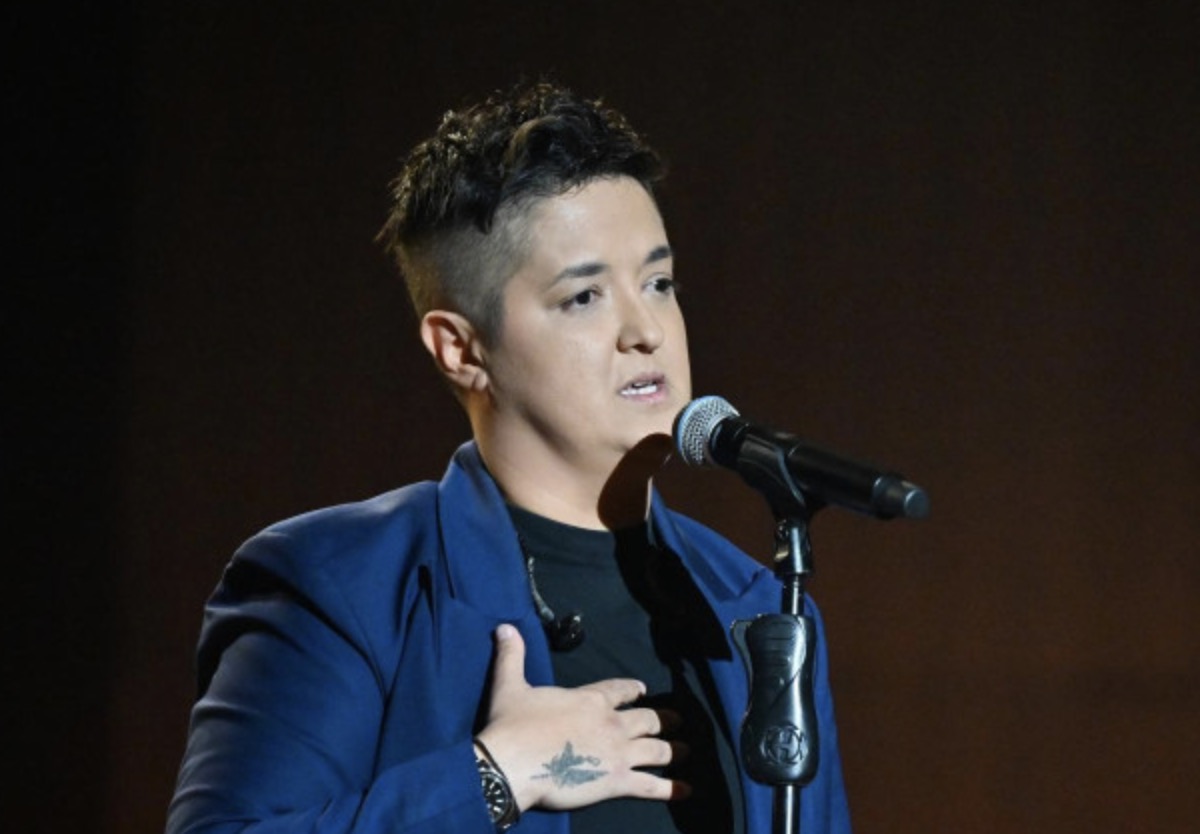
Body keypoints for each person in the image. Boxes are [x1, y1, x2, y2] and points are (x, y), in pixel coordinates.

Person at [166, 81, 852, 834]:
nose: (647, 330)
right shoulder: (342, 584)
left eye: (658, 283)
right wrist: (496, 775)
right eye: (584, 296)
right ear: (461, 349)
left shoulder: (756, 607)